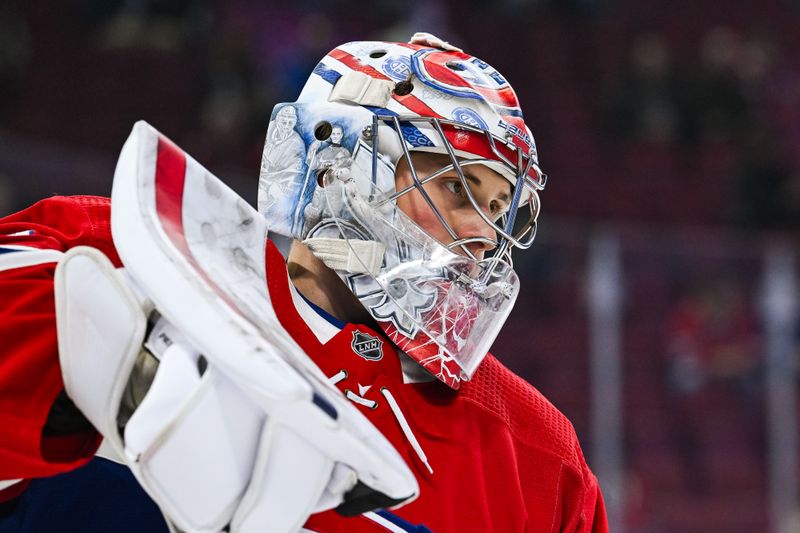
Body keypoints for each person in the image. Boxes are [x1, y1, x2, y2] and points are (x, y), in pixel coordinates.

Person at [0, 33, 608, 532]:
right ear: (335, 164)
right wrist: (91, 374)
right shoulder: (133, 252)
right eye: (458, 187)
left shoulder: (538, 458)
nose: (484, 235)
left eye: (501, 209)